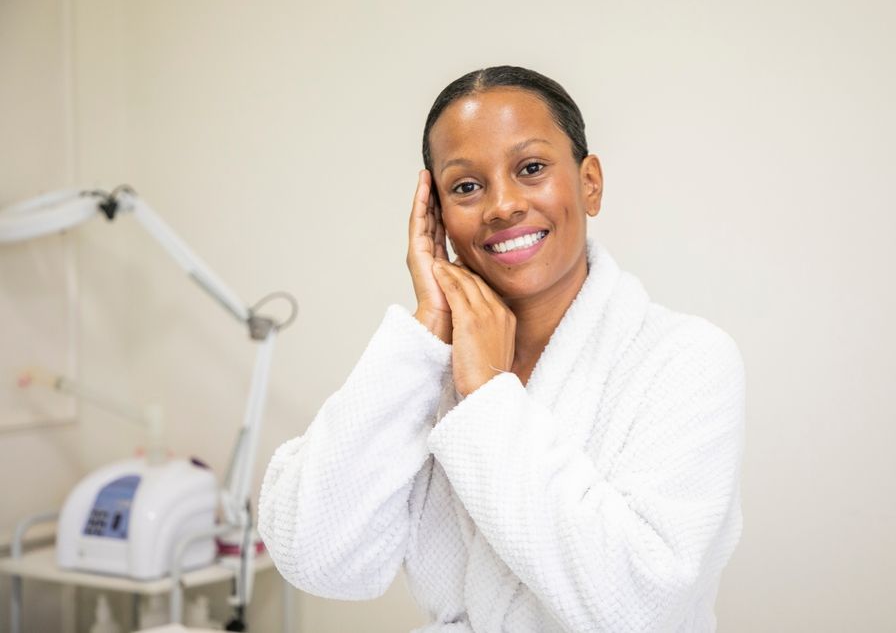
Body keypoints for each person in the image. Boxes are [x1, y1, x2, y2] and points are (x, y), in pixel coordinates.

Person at [257, 66, 746, 632]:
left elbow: (640, 607)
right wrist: (424, 334)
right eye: (466, 187)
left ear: (590, 182)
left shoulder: (686, 359)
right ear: (437, 215)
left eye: (531, 168)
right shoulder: (427, 374)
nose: (502, 206)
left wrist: (490, 396)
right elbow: (316, 558)